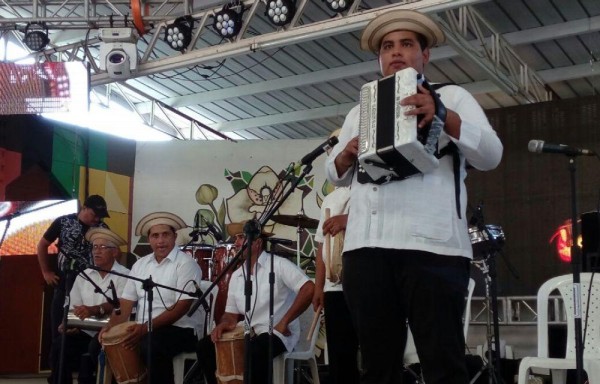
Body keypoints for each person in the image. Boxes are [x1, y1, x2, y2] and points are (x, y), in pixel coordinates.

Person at [325, 10, 503, 384]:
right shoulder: (361, 109)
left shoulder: (451, 95)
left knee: (442, 363)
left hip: (433, 247)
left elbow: (490, 154)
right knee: (377, 367)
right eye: (387, 47)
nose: (396, 52)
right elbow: (335, 175)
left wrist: (444, 115)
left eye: (407, 44)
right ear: (379, 58)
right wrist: (344, 155)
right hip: (367, 249)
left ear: (426, 55)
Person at [196, 220, 314, 384]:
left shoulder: (278, 265)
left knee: (254, 351)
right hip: (250, 332)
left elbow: (308, 288)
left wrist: (285, 321)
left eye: (241, 237)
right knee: (205, 347)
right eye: (235, 238)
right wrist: (224, 324)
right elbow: (231, 314)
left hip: (279, 333)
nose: (236, 243)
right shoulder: (237, 276)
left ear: (258, 242)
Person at [99, 212, 203, 384]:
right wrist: (110, 327)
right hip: (145, 328)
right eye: (155, 236)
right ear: (149, 239)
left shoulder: (186, 264)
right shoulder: (140, 265)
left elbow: (182, 306)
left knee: (150, 345)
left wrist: (146, 328)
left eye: (165, 235)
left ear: (175, 237)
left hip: (181, 329)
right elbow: (125, 303)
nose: (160, 241)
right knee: (101, 344)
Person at [37, 195, 110, 384]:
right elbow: (43, 244)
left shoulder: (102, 229)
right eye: (94, 214)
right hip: (64, 285)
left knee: (85, 332)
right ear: (84, 208)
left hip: (90, 287)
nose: (97, 219)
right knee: (59, 336)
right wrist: (46, 271)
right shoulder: (63, 222)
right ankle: (60, 378)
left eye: (100, 216)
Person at [312, 129, 360, 384]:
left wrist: (348, 221)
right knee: (341, 355)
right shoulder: (330, 198)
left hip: (366, 281)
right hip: (335, 287)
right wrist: (319, 287)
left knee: (377, 351)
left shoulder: (370, 187)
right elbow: (322, 245)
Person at [52, 228, 129, 384]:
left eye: (102, 247)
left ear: (114, 252)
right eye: (94, 247)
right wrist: (69, 323)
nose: (96, 252)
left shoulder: (125, 275)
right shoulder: (84, 275)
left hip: (112, 332)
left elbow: (122, 305)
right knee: (60, 346)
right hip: (85, 331)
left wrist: (95, 309)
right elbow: (74, 306)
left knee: (93, 352)